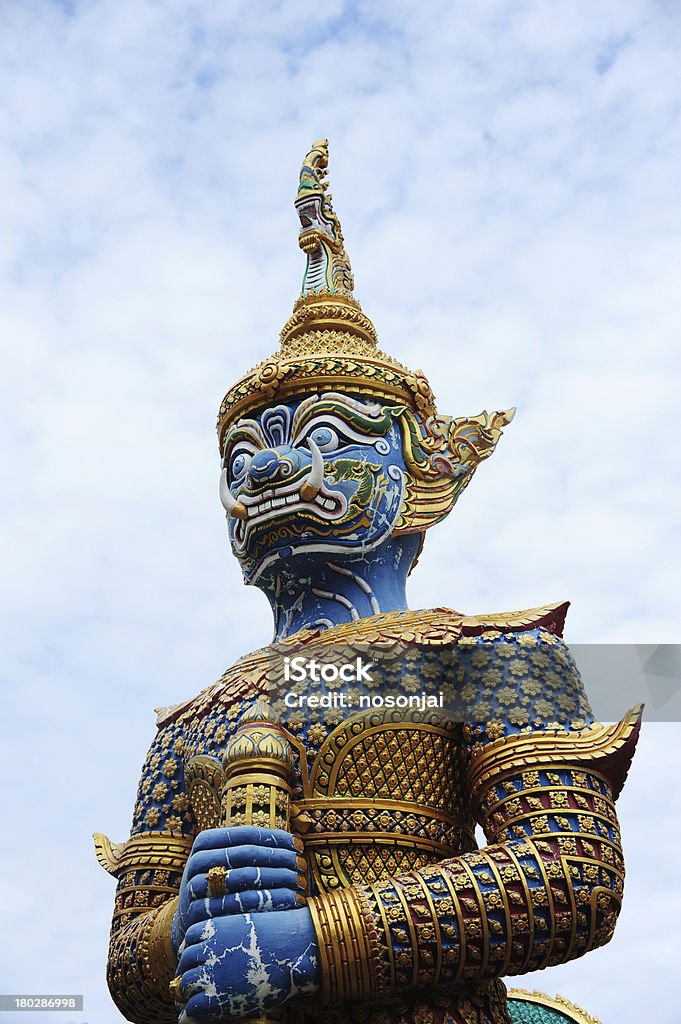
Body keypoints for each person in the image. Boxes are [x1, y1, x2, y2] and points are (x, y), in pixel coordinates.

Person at [95, 140, 639, 1024]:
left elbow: (568, 874)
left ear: (427, 472)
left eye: (325, 437)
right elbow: (127, 965)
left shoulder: (490, 658)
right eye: (244, 451)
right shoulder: (189, 726)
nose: (270, 464)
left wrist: (315, 943)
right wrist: (181, 927)